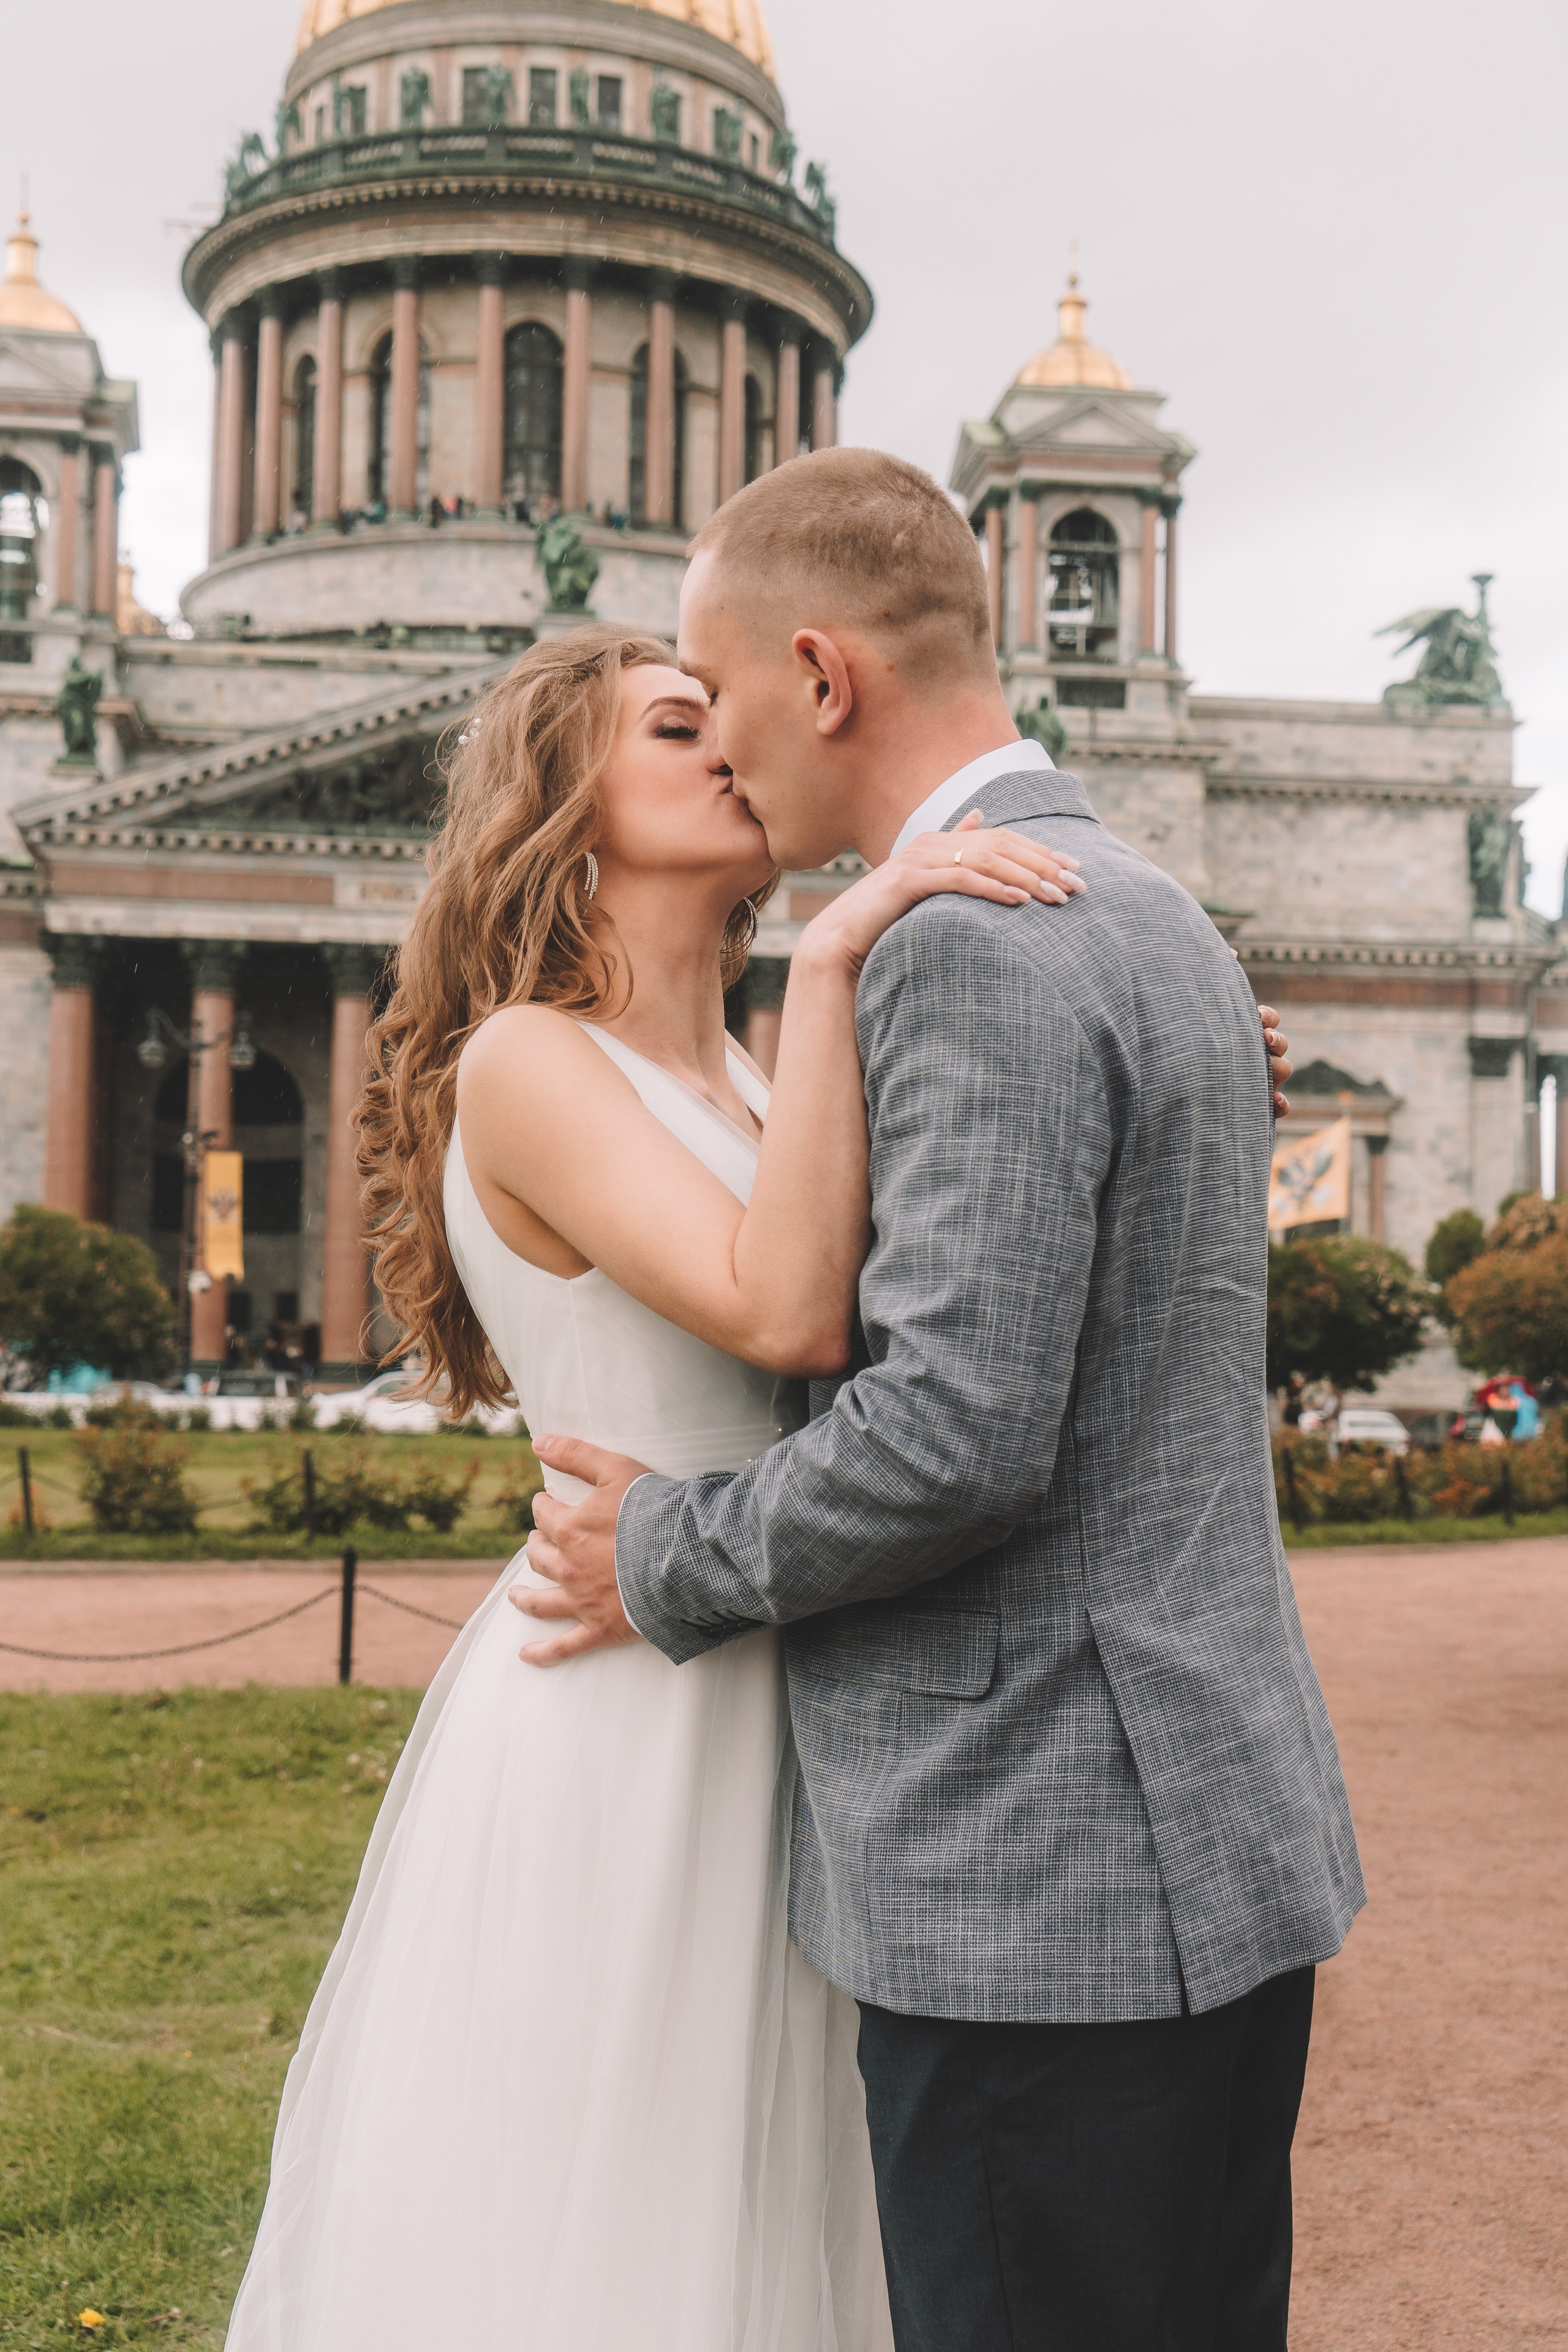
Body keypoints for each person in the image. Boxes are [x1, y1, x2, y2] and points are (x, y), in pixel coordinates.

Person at [518, 450, 1363, 2352]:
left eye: (724, 701)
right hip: (1212, 1834)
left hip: (1033, 1874)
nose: (731, 762)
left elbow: (955, 1439)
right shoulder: (1156, 915)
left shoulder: (968, 947)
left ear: (822, 677)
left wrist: (664, 1540)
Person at [224, 620, 1109, 2351]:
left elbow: (909, 1329)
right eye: (677, 726)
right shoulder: (529, 1060)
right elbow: (786, 1309)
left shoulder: (750, 1080)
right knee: (614, 2182)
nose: (731, 748)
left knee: (786, 2188)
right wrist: (850, 947)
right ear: (567, 810)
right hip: (626, 1690)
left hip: (767, 1645)